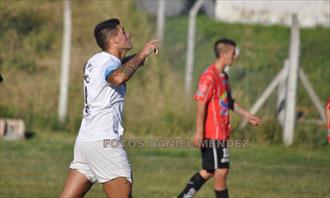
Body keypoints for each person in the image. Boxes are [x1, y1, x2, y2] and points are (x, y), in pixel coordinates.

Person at [59, 18, 159, 198]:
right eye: (123, 31)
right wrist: (141, 54)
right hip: (104, 142)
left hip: (85, 142)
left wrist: (134, 59)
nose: (129, 34)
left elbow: (112, 69)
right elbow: (116, 78)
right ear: (114, 40)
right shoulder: (109, 64)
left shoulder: (95, 60)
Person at [177, 38, 261, 198]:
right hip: (212, 133)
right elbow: (201, 104)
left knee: (208, 170)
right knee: (221, 171)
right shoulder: (209, 77)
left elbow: (227, 101)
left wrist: (247, 115)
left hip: (221, 131)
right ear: (223, 54)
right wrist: (199, 132)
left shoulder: (223, 76)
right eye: (233, 53)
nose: (235, 57)